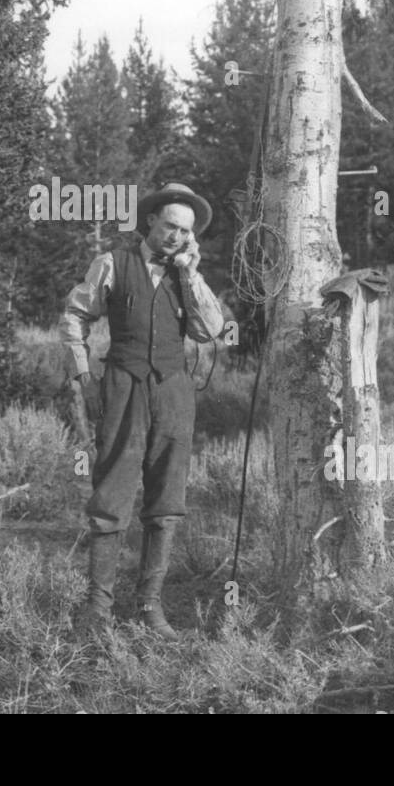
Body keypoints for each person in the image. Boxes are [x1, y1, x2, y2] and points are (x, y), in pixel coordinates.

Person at [59, 182, 225, 639]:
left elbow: (210, 330)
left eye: (185, 231)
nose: (175, 236)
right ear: (150, 220)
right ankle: (97, 610)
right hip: (123, 386)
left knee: (166, 501)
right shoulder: (113, 262)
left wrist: (190, 273)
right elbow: (75, 315)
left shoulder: (186, 274)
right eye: (170, 225)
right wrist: (82, 374)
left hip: (173, 391)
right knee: (111, 496)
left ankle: (150, 607)